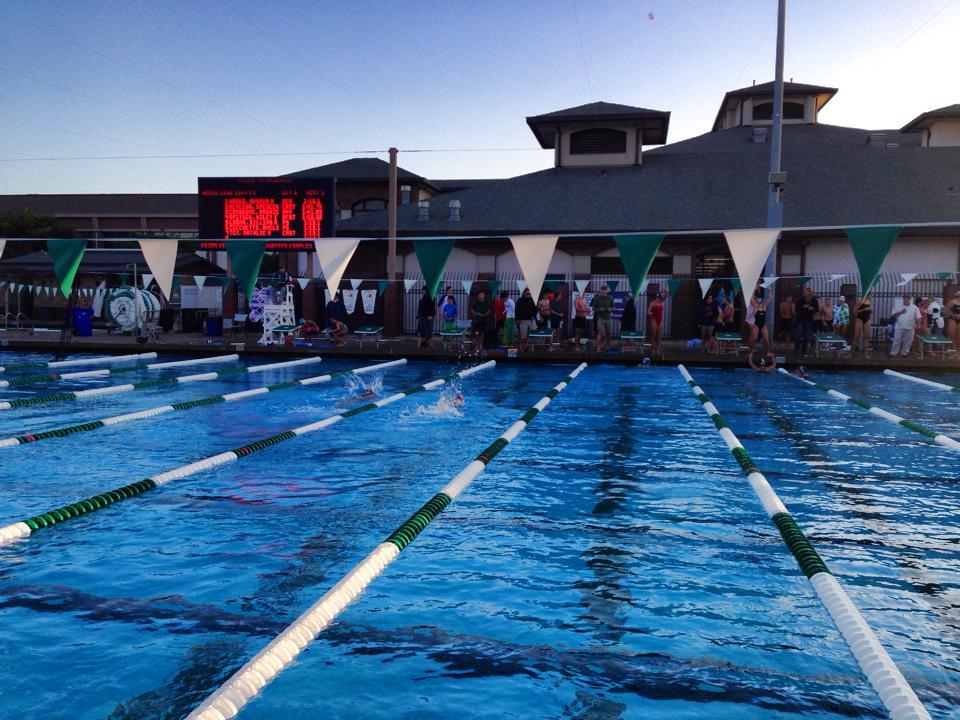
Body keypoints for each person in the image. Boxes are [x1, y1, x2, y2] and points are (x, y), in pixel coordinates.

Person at [890, 293, 922, 358]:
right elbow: (892, 315)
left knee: (908, 342)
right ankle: (893, 353)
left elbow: (918, 317)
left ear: (910, 299)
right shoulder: (898, 306)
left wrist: (918, 325)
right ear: (903, 299)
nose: (906, 300)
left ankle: (904, 354)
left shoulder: (914, 307)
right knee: (896, 341)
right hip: (899, 327)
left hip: (910, 327)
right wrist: (900, 312)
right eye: (904, 298)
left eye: (907, 298)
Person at [795, 287, 818, 356]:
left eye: (805, 291)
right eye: (804, 291)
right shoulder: (801, 299)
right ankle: (797, 349)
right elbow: (796, 308)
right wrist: (803, 306)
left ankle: (804, 351)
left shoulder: (814, 300)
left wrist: (812, 308)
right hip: (801, 319)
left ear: (809, 292)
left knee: (806, 336)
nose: (804, 293)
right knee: (798, 334)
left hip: (809, 320)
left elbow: (817, 309)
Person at [591, 285, 614, 352]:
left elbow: (613, 307)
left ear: (607, 291)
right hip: (600, 318)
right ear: (600, 291)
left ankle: (607, 345)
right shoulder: (597, 298)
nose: (603, 293)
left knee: (608, 333)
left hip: (608, 318)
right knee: (601, 333)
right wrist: (599, 309)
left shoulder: (610, 298)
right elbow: (593, 308)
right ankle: (598, 347)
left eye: (604, 291)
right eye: (602, 292)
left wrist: (610, 309)